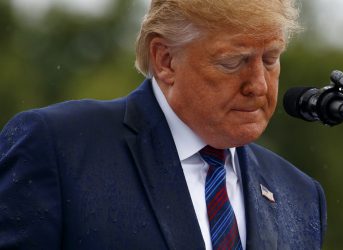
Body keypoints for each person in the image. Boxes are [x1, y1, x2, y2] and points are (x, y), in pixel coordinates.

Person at [0, 0, 326, 249]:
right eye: (233, 62)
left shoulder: (300, 195)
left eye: (270, 59)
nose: (259, 85)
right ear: (165, 60)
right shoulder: (58, 149)